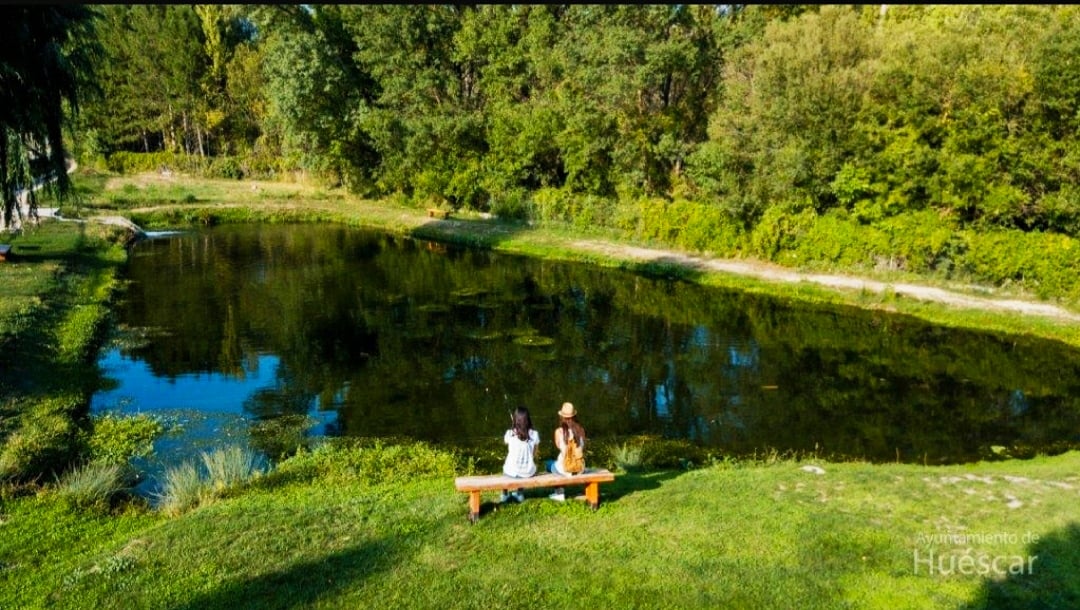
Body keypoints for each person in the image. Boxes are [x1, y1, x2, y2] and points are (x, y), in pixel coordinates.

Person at [547, 401, 586, 501]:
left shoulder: (559, 431)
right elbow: (583, 447)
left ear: (562, 417)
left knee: (549, 464)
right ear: (574, 416)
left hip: (565, 468)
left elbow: (558, 446)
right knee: (556, 464)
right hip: (580, 468)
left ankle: (559, 492)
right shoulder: (581, 430)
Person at [501, 406, 540, 503]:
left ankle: (504, 494)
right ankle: (520, 493)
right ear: (528, 420)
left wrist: (514, 429)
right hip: (528, 472)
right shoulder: (534, 434)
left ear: (515, 420)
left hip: (511, 472)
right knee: (526, 466)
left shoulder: (510, 433)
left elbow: (506, 442)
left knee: (506, 466)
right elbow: (534, 453)